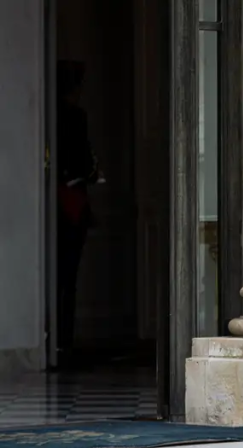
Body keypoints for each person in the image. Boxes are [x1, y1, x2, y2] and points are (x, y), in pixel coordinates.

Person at [55, 60, 102, 365]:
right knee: (68, 276)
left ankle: (58, 340)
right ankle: (65, 341)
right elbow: (85, 164)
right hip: (70, 202)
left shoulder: (49, 114)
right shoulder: (74, 116)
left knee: (58, 275)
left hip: (56, 202)